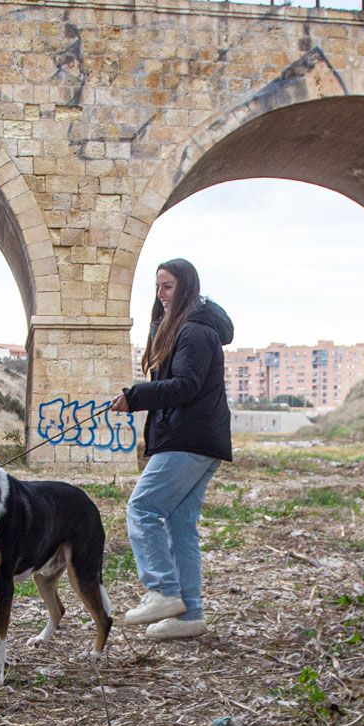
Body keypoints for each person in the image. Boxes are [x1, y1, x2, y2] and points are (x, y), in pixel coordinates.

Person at [111, 258, 233, 640]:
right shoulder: (182, 327)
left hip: (188, 438)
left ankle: (162, 591)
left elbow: (186, 385)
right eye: (158, 287)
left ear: (186, 287)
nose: (161, 295)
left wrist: (137, 395)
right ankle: (189, 614)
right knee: (180, 525)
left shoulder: (195, 332)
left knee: (142, 507)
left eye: (168, 287)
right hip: (199, 438)